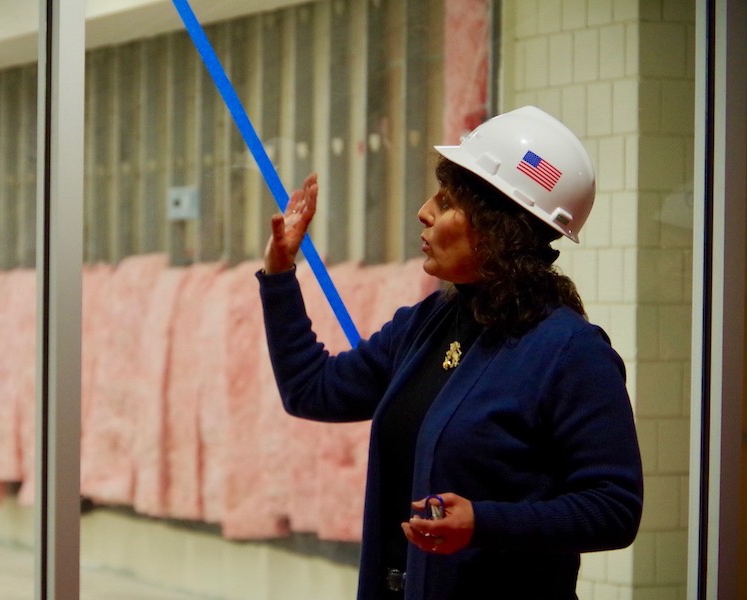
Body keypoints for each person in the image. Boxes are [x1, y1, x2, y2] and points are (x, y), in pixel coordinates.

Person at [256, 106, 643, 599]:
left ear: (500, 227)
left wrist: (484, 522)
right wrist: (279, 276)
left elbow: (613, 508)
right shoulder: (426, 323)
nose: (425, 210)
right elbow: (311, 391)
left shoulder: (571, 352)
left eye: (448, 200)